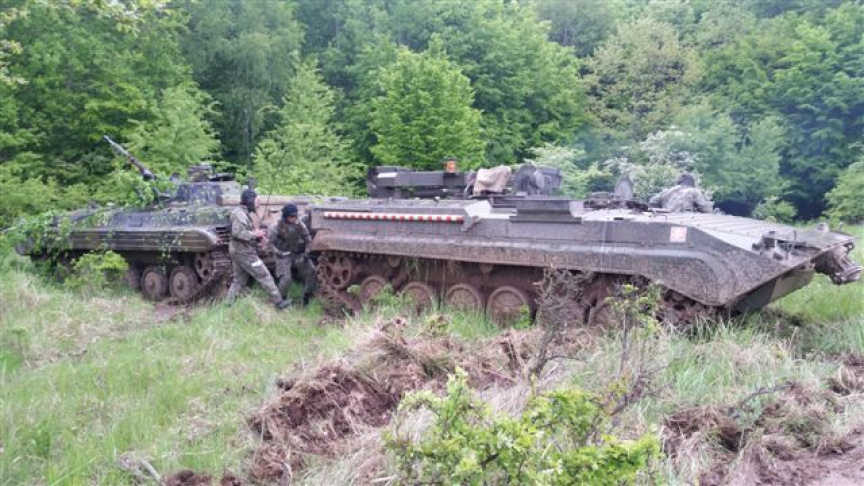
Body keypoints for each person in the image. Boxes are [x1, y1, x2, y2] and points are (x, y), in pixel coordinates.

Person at [225, 189, 291, 309]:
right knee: (264, 275)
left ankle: (228, 304)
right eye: (257, 202)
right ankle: (279, 302)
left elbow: (244, 231)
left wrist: (258, 236)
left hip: (239, 250)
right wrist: (255, 234)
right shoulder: (239, 214)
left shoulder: (242, 213)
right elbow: (237, 233)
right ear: (250, 201)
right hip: (244, 252)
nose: (258, 205)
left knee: (239, 281)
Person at [268, 203, 317, 307]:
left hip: (297, 253)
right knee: (286, 278)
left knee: (311, 271)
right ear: (285, 216)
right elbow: (270, 244)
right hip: (282, 254)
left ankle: (307, 296)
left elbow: (307, 239)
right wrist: (279, 253)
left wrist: (306, 252)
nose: (294, 218)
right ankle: (281, 299)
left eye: (295, 216)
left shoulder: (299, 225)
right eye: (291, 217)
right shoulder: (275, 227)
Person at [649, 173, 713, 213]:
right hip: (685, 221)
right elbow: (706, 210)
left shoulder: (667, 191)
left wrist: (661, 210)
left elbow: (652, 202)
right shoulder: (694, 191)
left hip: (666, 218)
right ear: (692, 183)